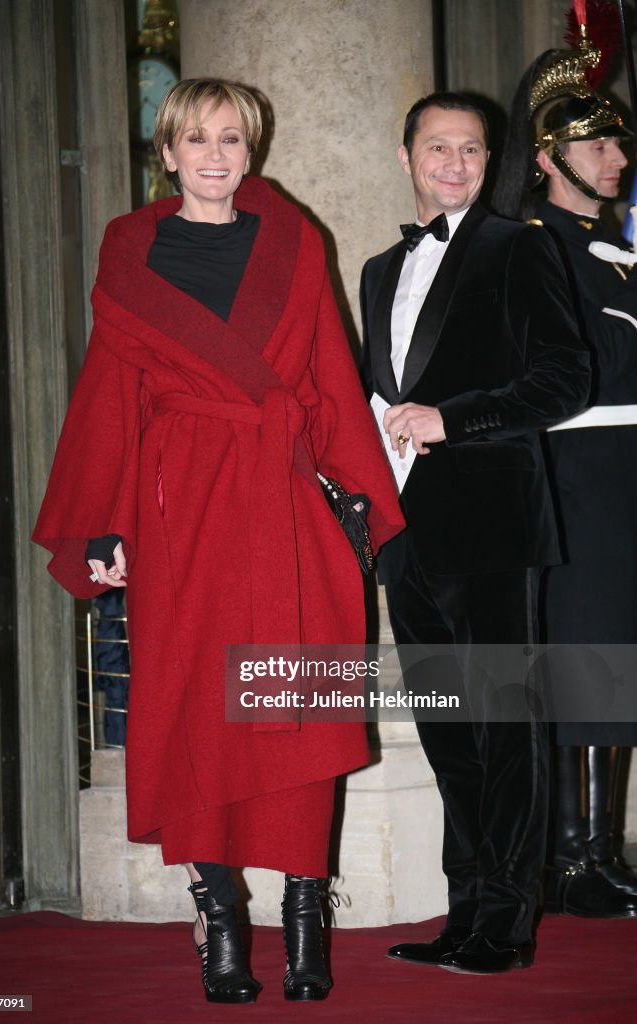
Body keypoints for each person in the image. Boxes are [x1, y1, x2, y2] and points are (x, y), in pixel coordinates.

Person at [33, 78, 404, 1004]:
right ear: (165, 152)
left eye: (230, 138)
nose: (213, 153)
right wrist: (100, 523)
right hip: (181, 514)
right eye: (194, 137)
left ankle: (306, 918)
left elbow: (327, 370)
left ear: (252, 151)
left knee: (300, 707)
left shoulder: (293, 242)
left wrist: (356, 498)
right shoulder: (131, 248)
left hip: (285, 507)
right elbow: (107, 397)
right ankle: (220, 920)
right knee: (198, 710)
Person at [360, 92, 590, 974]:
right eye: (436, 147)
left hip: (494, 518)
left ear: (488, 161)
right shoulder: (381, 267)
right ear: (405, 154)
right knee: (448, 727)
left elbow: (564, 378)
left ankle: (506, 925)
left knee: (505, 724)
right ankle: (464, 914)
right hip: (406, 531)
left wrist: (454, 420)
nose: (453, 163)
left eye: (470, 150)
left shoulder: (518, 246)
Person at [491, 18, 637, 919]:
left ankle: (594, 849)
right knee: (586, 655)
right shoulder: (534, 246)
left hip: (619, 464)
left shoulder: (615, 249)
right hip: (576, 465)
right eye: (598, 141)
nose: (618, 154)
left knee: (617, 654)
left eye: (618, 137)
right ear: (548, 157)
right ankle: (573, 858)